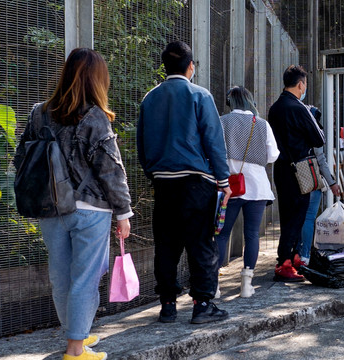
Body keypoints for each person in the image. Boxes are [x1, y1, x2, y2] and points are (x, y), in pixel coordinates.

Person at [14, 48, 132, 360]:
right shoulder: (94, 116)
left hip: (50, 207)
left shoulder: (39, 112)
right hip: (90, 209)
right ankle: (76, 350)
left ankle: (75, 333)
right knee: (86, 278)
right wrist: (123, 212)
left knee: (61, 276)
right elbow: (111, 170)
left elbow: (20, 158)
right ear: (97, 80)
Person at [137, 41, 230, 324]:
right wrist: (223, 180)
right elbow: (214, 141)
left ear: (164, 66)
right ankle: (202, 305)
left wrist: (153, 173)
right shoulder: (200, 96)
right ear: (191, 67)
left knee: (166, 245)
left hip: (163, 183)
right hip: (196, 182)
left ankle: (167, 305)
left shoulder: (149, 99)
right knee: (201, 244)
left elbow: (142, 145)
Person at [215, 86, 280, 297]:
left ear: (230, 103)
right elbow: (273, 155)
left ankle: (213, 284)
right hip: (258, 188)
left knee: (222, 234)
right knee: (251, 234)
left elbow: (215, 151)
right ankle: (246, 284)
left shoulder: (222, 122)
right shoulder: (262, 124)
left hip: (229, 187)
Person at [268, 65, 325, 282]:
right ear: (301, 84)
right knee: (299, 215)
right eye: (305, 85)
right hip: (300, 168)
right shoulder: (299, 108)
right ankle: (285, 262)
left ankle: (290, 258)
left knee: (286, 216)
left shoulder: (275, 108)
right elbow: (319, 138)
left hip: (281, 168)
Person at [298, 105, 341, 265]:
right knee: (309, 218)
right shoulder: (315, 134)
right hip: (311, 180)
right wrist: (332, 183)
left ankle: (293, 254)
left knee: (295, 219)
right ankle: (305, 255)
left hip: (293, 179)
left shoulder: (294, 132)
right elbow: (321, 161)